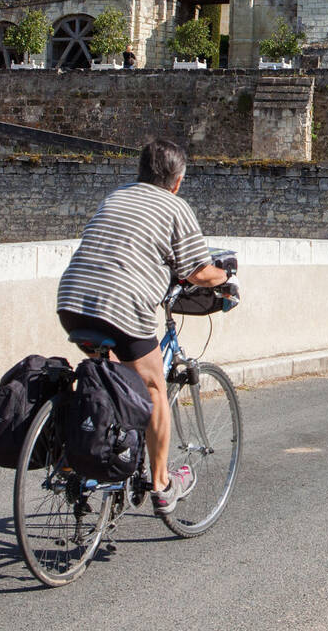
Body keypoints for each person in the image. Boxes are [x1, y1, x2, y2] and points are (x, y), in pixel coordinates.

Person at [55, 137, 232, 515]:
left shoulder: (116, 196)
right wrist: (224, 277)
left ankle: (76, 455)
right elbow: (198, 270)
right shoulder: (174, 206)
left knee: (112, 378)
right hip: (120, 304)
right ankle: (162, 483)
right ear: (177, 181)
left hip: (71, 300)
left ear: (139, 172)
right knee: (153, 385)